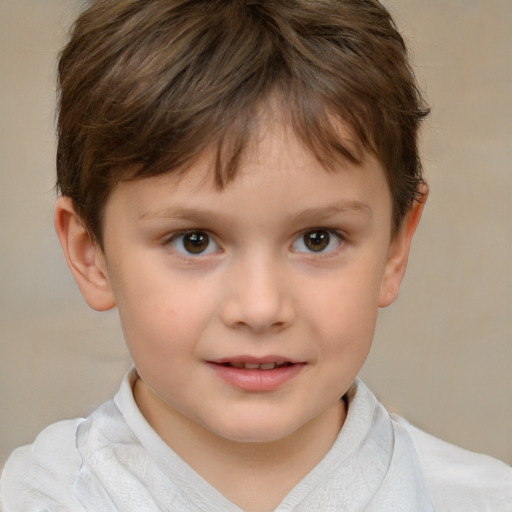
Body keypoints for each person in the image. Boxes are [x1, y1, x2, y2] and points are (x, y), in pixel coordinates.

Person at [1, 0, 511, 510]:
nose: (261, 308)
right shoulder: (33, 498)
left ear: (396, 245)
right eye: (194, 241)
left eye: (318, 239)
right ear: (92, 254)